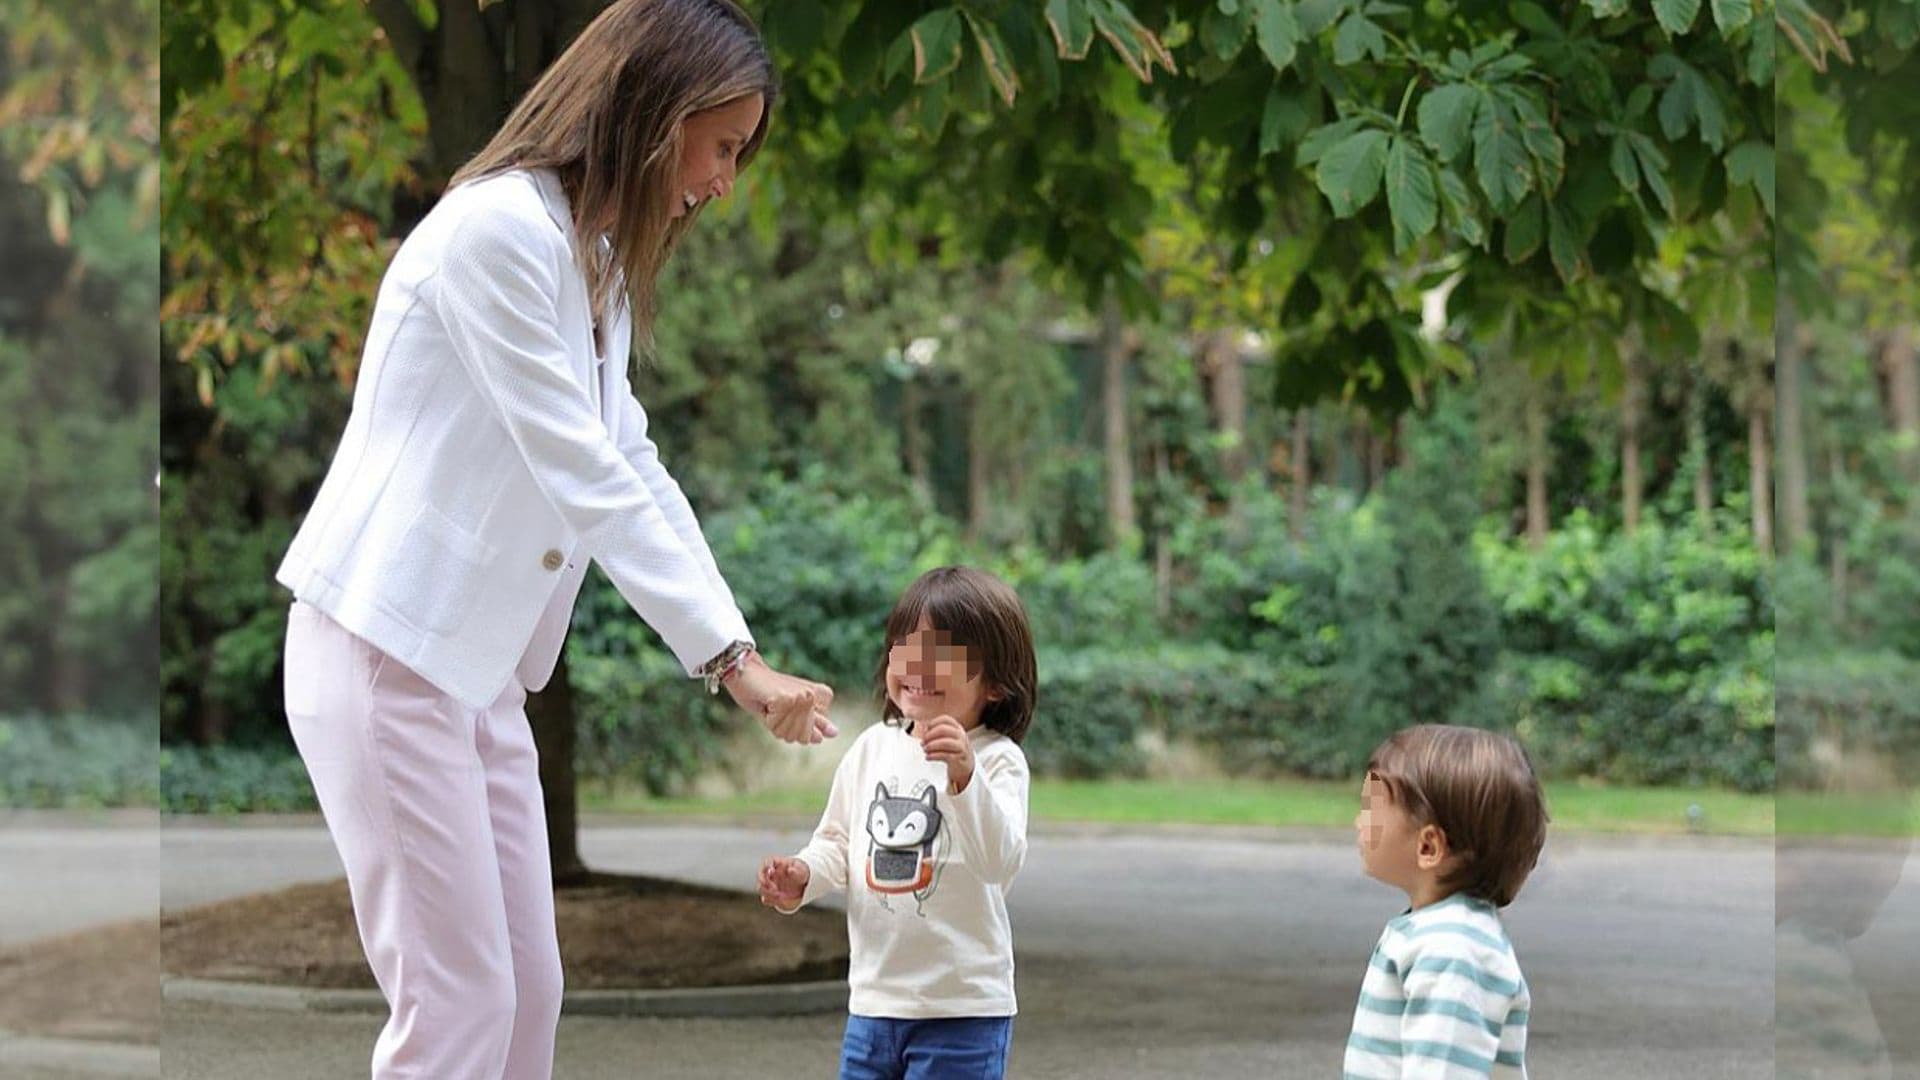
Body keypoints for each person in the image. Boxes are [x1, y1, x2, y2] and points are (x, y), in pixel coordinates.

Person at [274, 2, 832, 1076]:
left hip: (476, 675)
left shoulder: (594, 266)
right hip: (388, 650)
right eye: (722, 146)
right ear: (655, 110)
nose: (724, 180)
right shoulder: (497, 232)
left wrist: (739, 645)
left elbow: (633, 463)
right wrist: (733, 667)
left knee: (529, 994)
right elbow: (579, 469)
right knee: (460, 1004)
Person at [759, 566, 1037, 1080]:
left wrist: (964, 778)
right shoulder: (873, 749)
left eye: (942, 656)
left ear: (995, 683)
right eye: (907, 649)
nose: (918, 667)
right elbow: (839, 842)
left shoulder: (996, 760)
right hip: (874, 1002)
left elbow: (1000, 862)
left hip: (962, 1008)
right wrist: (802, 875)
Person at [1344, 724, 1548, 1079]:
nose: (1358, 822)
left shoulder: (1452, 950)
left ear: (1429, 847)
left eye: (1372, 810)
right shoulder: (1437, 933)